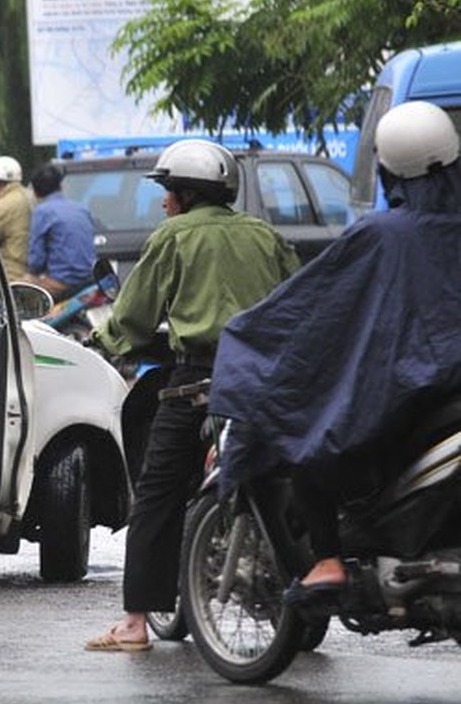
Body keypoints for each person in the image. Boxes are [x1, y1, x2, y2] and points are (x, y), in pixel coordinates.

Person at [210, 101, 461, 609]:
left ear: (388, 167)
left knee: (313, 435)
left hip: (412, 391)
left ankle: (327, 559)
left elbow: (310, 312)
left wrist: (248, 338)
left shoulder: (383, 234)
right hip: (444, 391)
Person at [82, 139, 300, 652]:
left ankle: (135, 624)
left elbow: (134, 319)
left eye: (167, 191)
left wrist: (103, 340)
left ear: (184, 193)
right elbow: (297, 299)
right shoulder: (264, 234)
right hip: (264, 383)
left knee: (156, 493)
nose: (163, 201)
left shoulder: (173, 237)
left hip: (198, 382)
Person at [24, 160, 97, 302]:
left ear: (35, 191)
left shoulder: (42, 212)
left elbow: (36, 262)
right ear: (61, 186)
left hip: (61, 283)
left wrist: (33, 273)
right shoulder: (82, 209)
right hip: (88, 280)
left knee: (16, 291)